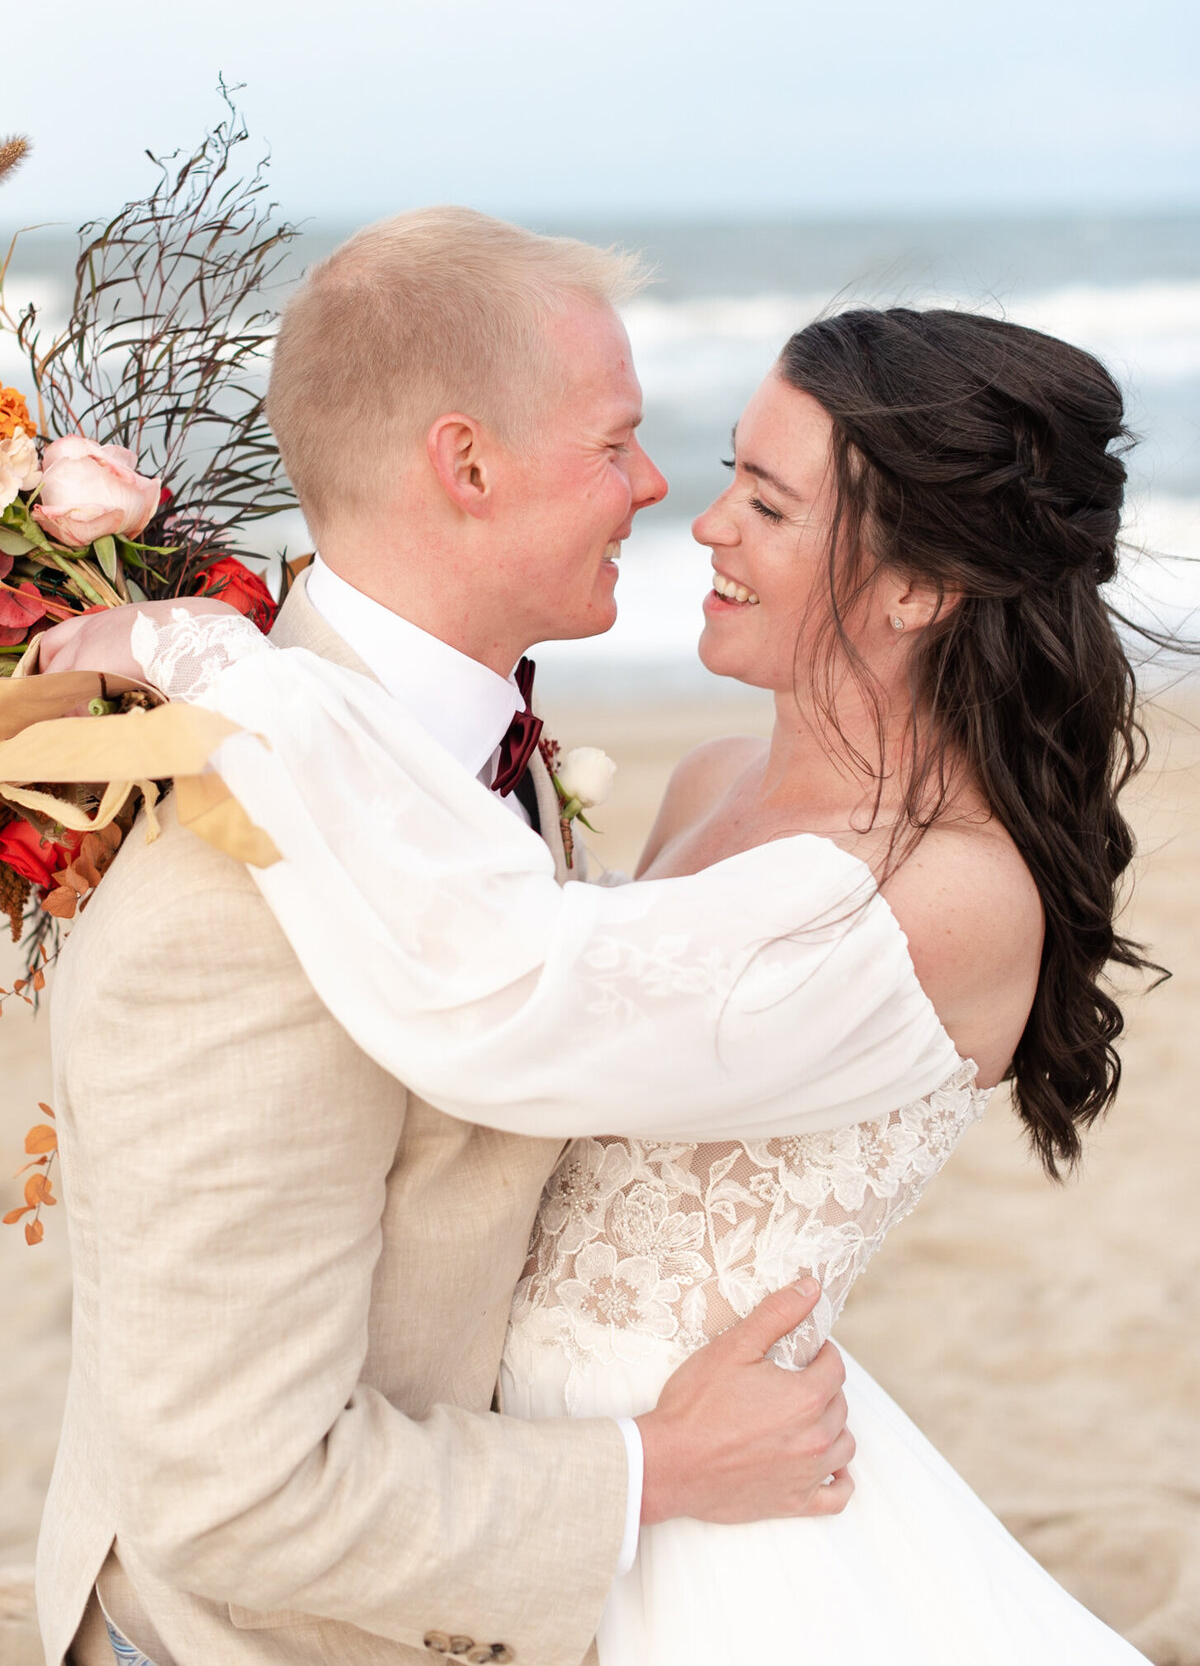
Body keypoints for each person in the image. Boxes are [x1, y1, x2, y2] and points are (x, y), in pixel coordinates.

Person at [27, 249, 1151, 1660]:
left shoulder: (950, 896)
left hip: (689, 1525)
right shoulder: (702, 784)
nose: (690, 512)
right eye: (670, 456)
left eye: (768, 500)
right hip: (521, 1533)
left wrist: (242, 677)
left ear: (920, 587)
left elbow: (518, 989)